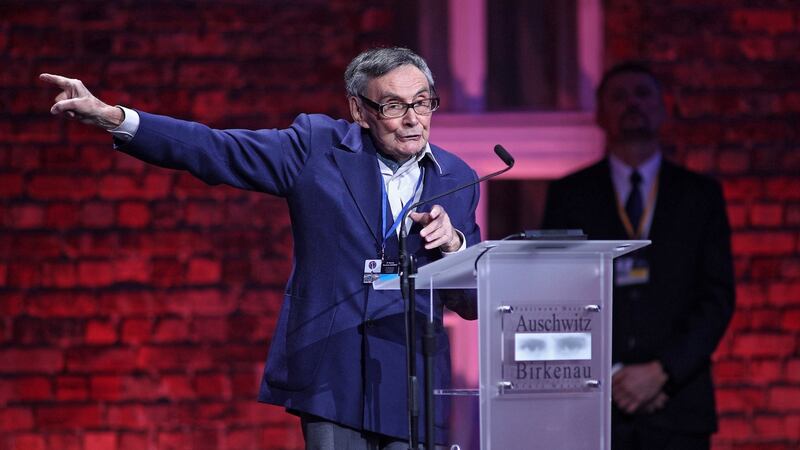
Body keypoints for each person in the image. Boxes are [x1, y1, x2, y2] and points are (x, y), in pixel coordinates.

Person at [42, 47, 481, 449]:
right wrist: (115, 117)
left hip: (412, 383)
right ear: (359, 111)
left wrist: (455, 246)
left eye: (422, 103)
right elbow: (214, 148)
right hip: (331, 374)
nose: (412, 119)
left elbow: (471, 301)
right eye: (393, 106)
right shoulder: (317, 148)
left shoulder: (457, 177)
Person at [542, 62, 735, 450]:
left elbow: (717, 298)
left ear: (662, 109)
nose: (632, 103)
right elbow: (555, 296)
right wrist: (614, 374)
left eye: (642, 94)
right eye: (618, 96)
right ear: (599, 114)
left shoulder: (700, 195)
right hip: (594, 402)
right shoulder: (569, 195)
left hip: (678, 402)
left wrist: (662, 372)